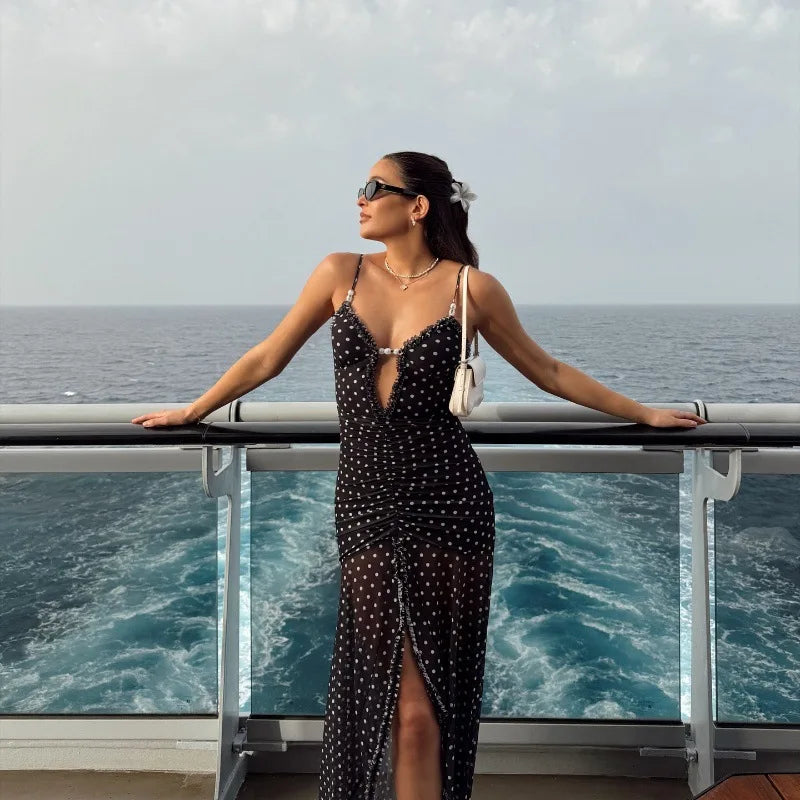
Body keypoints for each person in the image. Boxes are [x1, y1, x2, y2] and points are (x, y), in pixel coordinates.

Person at [132, 151, 706, 799]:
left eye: (374, 188)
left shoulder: (471, 289)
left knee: (425, 702)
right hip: (367, 503)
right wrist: (193, 409)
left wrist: (644, 414)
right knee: (376, 682)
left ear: (418, 206)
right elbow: (268, 356)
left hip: (449, 501)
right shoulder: (338, 272)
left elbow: (547, 371)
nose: (361, 198)